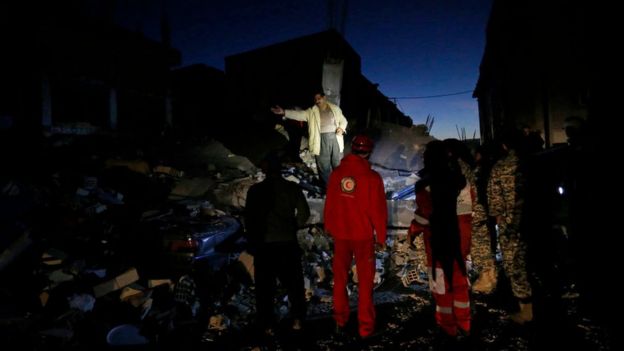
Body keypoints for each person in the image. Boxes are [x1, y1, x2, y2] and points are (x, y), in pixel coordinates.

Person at [324, 135, 387, 339]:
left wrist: (329, 228)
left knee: (340, 280)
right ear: (369, 152)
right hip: (363, 237)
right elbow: (379, 211)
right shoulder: (372, 177)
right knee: (365, 283)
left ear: (352, 150)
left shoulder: (336, 174)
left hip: (341, 236)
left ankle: (340, 321)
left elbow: (330, 204)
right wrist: (381, 237)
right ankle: (365, 328)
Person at [244, 152, 311, 337]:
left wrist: (253, 240)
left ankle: (267, 325)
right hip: (287, 243)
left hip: (265, 245)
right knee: (294, 285)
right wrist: (293, 227)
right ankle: (297, 320)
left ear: (265, 169)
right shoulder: (292, 188)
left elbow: (249, 220)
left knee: (265, 288)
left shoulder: (255, 191)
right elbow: (304, 214)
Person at [412, 140, 471, 338]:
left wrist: (414, 228)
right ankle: (464, 322)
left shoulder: (425, 183)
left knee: (441, 283)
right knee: (459, 280)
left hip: (437, 240)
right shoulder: (461, 181)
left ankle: (447, 327)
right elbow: (466, 211)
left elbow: (424, 214)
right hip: (459, 237)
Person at [487, 130, 533, 324]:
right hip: (537, 221)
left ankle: (526, 310)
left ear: (505, 146)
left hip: (512, 224)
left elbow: (495, 200)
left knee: (516, 265)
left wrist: (498, 217)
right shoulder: (534, 162)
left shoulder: (501, 166)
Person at [271, 91, 348, 187]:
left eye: (319, 98)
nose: (317, 101)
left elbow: (343, 120)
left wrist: (341, 128)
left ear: (324, 98)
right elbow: (299, 114)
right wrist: (284, 112)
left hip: (335, 138)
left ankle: (340, 184)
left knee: (337, 163)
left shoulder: (335, 108)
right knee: (323, 165)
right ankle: (327, 186)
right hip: (320, 139)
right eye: (315, 99)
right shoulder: (311, 111)